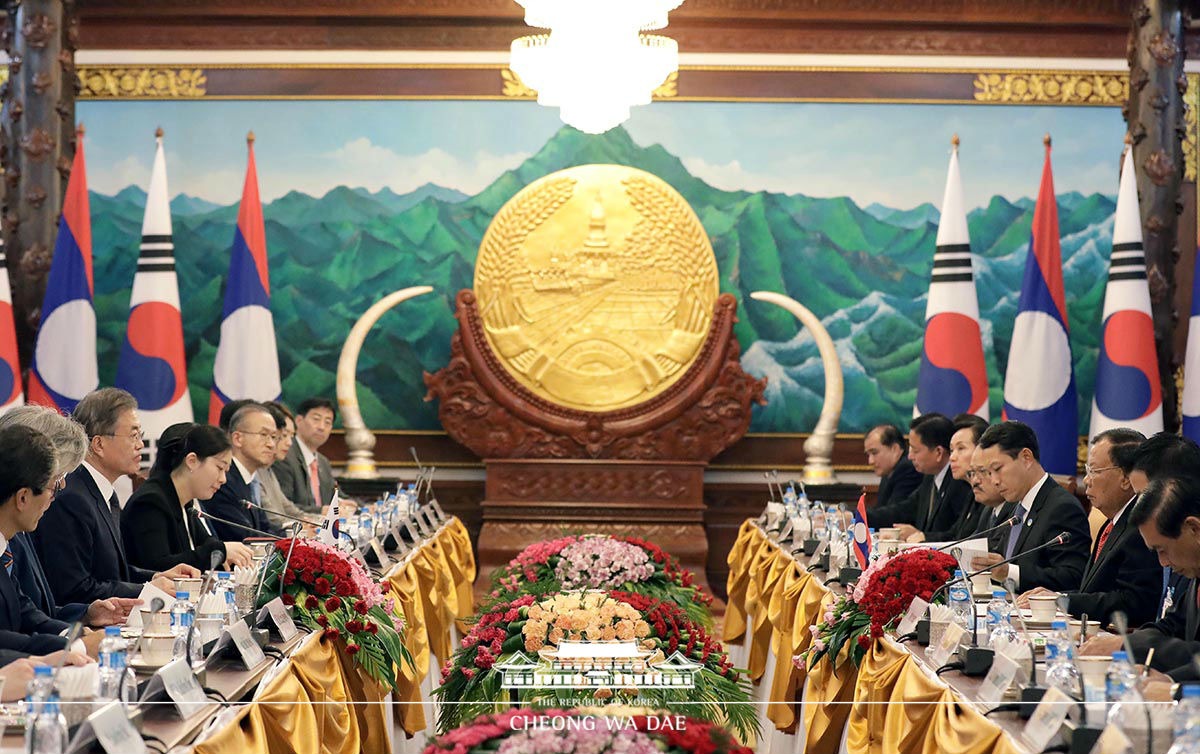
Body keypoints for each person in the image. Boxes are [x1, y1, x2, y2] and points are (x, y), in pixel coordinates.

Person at [34, 388, 198, 605]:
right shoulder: (71, 497)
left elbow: (112, 573)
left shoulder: (103, 493)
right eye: (133, 435)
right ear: (99, 444)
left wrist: (155, 577)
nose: (141, 444)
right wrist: (144, 590)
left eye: (140, 435)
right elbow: (74, 588)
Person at [0, 406, 140, 627]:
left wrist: (85, 615)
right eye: (56, 477)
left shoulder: (17, 530)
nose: (61, 485)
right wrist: (76, 640)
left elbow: (32, 611)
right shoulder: (55, 508)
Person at [1017, 428, 1160, 626]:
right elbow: (1091, 592)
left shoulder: (1141, 529)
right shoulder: (1111, 524)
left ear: (1126, 478)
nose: (1086, 480)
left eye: (1094, 471)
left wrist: (1061, 600)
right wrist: (1054, 597)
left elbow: (1135, 603)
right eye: (1087, 470)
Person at [0, 425, 104, 660]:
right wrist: (77, 648)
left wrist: (74, 635)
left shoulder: (5, 545)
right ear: (23, 497)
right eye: (52, 487)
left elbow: (23, 609)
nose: (53, 499)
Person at [970, 421, 1090, 592]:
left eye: (997, 469)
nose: (994, 480)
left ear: (1026, 458)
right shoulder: (1013, 506)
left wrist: (1008, 572)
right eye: (989, 472)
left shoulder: (1062, 508)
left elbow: (1073, 577)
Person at [123, 423, 255, 572]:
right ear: (192, 461)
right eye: (219, 468)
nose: (223, 479)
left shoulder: (185, 502)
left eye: (226, 471)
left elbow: (206, 543)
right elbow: (157, 566)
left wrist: (223, 552)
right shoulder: (150, 502)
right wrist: (220, 551)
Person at [868, 414, 972, 536]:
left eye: (915, 451)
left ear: (938, 452)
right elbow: (904, 510)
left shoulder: (960, 482)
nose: (910, 456)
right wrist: (859, 517)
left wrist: (922, 536)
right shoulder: (930, 477)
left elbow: (960, 535)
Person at [202, 403, 285, 541]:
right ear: (237, 439)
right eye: (264, 434)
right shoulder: (222, 481)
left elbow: (264, 528)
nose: (271, 444)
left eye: (274, 437)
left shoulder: (251, 480)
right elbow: (245, 536)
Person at [907, 414, 990, 543]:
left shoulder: (987, 495)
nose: (952, 457)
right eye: (951, 450)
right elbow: (956, 535)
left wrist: (924, 538)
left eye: (961, 448)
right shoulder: (972, 493)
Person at [258, 402, 318, 532]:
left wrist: (318, 521)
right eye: (284, 436)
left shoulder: (268, 470)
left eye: (292, 436)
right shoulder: (256, 471)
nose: (289, 443)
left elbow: (289, 508)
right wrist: (302, 526)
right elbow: (273, 518)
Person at [273, 397, 336, 514]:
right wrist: (320, 510)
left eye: (327, 422)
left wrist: (354, 506)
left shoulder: (323, 461)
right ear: (298, 420)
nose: (322, 427)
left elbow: (337, 495)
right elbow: (283, 505)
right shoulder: (283, 455)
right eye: (316, 419)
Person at [864, 424, 921, 509]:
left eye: (874, 453)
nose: (870, 461)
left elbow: (894, 513)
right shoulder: (888, 472)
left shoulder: (908, 469)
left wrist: (854, 515)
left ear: (894, 449)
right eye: (868, 455)